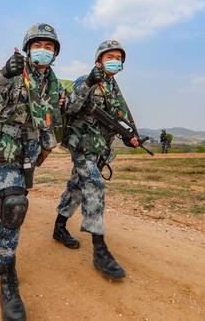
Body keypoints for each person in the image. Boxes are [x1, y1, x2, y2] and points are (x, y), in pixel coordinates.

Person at [0, 23, 63, 321]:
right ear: (27, 48)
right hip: (1, 151)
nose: (44, 50)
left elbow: (52, 120)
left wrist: (46, 150)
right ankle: (8, 277)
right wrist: (4, 74)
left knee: (11, 210)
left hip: (28, 154)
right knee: (14, 205)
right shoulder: (10, 72)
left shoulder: (54, 84)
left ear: (55, 53)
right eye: (38, 45)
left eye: (49, 47)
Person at [54, 39, 142, 281]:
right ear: (99, 61)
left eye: (118, 58)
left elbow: (121, 115)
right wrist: (91, 82)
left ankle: (59, 227)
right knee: (94, 186)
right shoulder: (86, 81)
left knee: (75, 189)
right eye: (110, 57)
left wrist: (131, 136)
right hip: (82, 146)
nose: (115, 61)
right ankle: (100, 250)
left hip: (100, 150)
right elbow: (69, 108)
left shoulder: (114, 87)